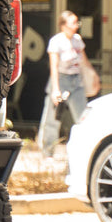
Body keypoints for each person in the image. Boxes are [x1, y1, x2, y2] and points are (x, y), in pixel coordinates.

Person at [39, 10, 92, 158]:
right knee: (53, 118)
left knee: (82, 117)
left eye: (77, 22)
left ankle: (85, 152)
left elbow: (84, 60)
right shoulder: (56, 41)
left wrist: (91, 75)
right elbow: (54, 66)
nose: (76, 26)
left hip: (76, 80)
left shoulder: (77, 39)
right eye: (73, 23)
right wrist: (56, 89)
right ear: (63, 25)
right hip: (61, 80)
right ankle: (47, 152)